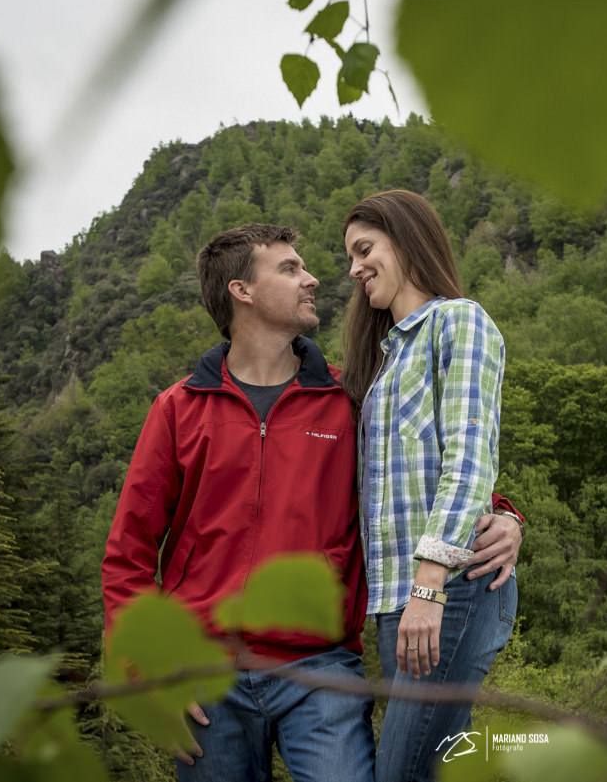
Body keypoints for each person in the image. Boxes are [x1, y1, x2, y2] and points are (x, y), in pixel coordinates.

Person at [101, 223, 523, 782]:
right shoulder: (180, 408)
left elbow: (423, 467)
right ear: (242, 291)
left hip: (321, 669)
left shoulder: (347, 398)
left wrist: (508, 516)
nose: (314, 278)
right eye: (290, 268)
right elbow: (129, 550)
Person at [342, 190, 520, 782]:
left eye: (365, 249)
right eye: (350, 256)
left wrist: (431, 585)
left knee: (402, 772)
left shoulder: (458, 320)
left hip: (448, 588)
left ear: (406, 240)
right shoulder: (384, 364)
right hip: (398, 599)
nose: (354, 268)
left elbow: (469, 457)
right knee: (433, 768)